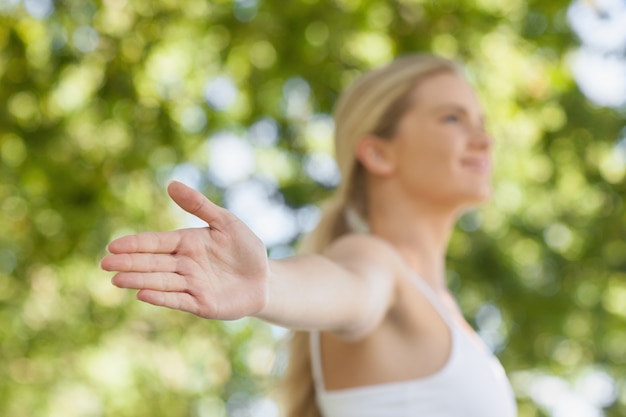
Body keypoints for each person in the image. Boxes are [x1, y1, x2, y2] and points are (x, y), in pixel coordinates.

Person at [101, 54, 518, 417]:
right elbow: (351, 286)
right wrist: (268, 281)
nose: (484, 140)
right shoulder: (371, 260)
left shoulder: (448, 313)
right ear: (377, 152)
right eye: (452, 118)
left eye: (481, 122)